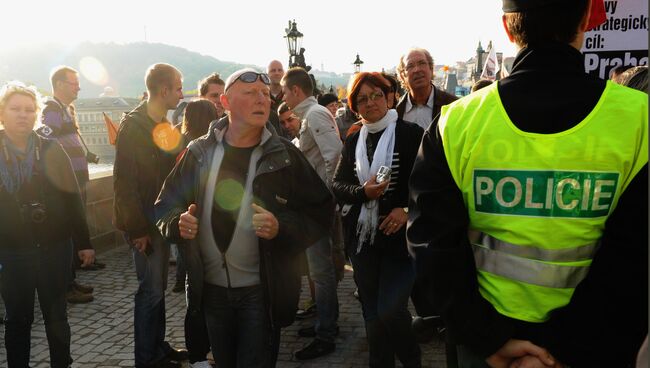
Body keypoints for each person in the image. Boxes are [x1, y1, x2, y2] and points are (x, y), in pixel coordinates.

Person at [407, 0, 648, 367]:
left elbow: (431, 247)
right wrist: (564, 349)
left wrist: (489, 339)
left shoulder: (454, 124)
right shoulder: (639, 120)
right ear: (585, 19)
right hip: (592, 349)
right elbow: (634, 259)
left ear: (507, 27)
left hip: (487, 350)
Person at [155, 68, 334, 367]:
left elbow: (321, 212)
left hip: (260, 293)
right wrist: (177, 223)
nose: (261, 100)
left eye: (265, 94)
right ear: (225, 101)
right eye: (250, 93)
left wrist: (281, 227)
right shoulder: (198, 153)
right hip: (210, 292)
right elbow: (163, 206)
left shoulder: (284, 155)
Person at [0, 81, 95, 367]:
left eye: (29, 109)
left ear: (37, 114)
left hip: (54, 246)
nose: (22, 115)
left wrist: (84, 243)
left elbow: (72, 198)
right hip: (11, 250)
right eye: (15, 109)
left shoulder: (50, 148)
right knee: (17, 318)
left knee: (56, 316)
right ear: (2, 113)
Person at [332, 72, 422, 367]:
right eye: (362, 99)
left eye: (376, 96)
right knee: (372, 313)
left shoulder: (411, 134)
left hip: (400, 243)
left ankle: (411, 360)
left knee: (391, 310)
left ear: (390, 97)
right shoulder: (354, 137)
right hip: (363, 241)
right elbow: (338, 186)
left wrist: (406, 210)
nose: (370, 103)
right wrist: (363, 192)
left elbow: (430, 184)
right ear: (355, 106)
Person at [113, 63, 188, 368]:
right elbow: (124, 183)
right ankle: (147, 359)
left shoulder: (162, 124)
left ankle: (158, 347)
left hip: (160, 218)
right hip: (144, 222)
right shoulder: (133, 127)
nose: (181, 93)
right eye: (179, 87)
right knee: (150, 291)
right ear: (163, 90)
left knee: (156, 289)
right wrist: (136, 230)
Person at [281, 67, 342, 360]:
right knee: (318, 270)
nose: (282, 97)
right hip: (312, 206)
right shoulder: (309, 115)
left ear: (295, 90)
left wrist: (328, 198)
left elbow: (333, 155)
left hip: (317, 207)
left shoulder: (315, 114)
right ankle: (324, 323)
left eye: (284, 91)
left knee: (321, 271)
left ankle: (326, 333)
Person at [39, 66, 98, 304]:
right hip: (64, 182)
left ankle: (70, 280)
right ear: (60, 84)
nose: (78, 87)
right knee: (67, 230)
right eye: (74, 82)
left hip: (75, 178)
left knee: (74, 228)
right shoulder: (52, 109)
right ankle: (65, 285)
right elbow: (47, 138)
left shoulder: (63, 109)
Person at [174, 99, 218, 368]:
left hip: (189, 227)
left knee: (196, 294)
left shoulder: (182, 147)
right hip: (202, 227)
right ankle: (205, 352)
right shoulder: (204, 149)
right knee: (202, 294)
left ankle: (199, 355)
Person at [395, 48, 457, 130]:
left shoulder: (453, 105)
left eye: (422, 63)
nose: (417, 70)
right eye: (410, 66)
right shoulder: (395, 111)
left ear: (431, 69)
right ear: (402, 76)